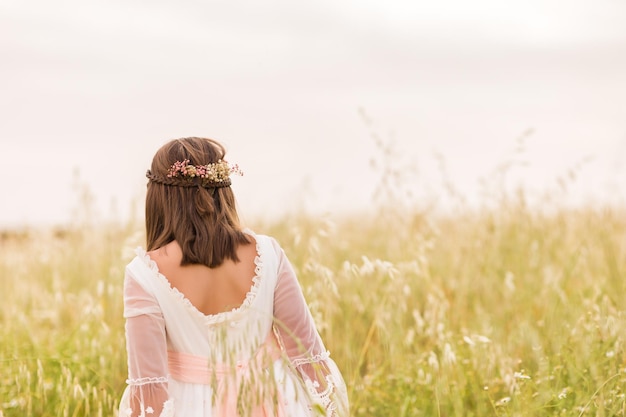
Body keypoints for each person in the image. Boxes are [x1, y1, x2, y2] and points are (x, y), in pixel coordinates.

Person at [118, 137, 349, 417]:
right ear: (223, 190)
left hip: (193, 407)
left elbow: (149, 387)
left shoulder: (143, 275)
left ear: (158, 196)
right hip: (274, 398)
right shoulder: (268, 253)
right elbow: (307, 353)